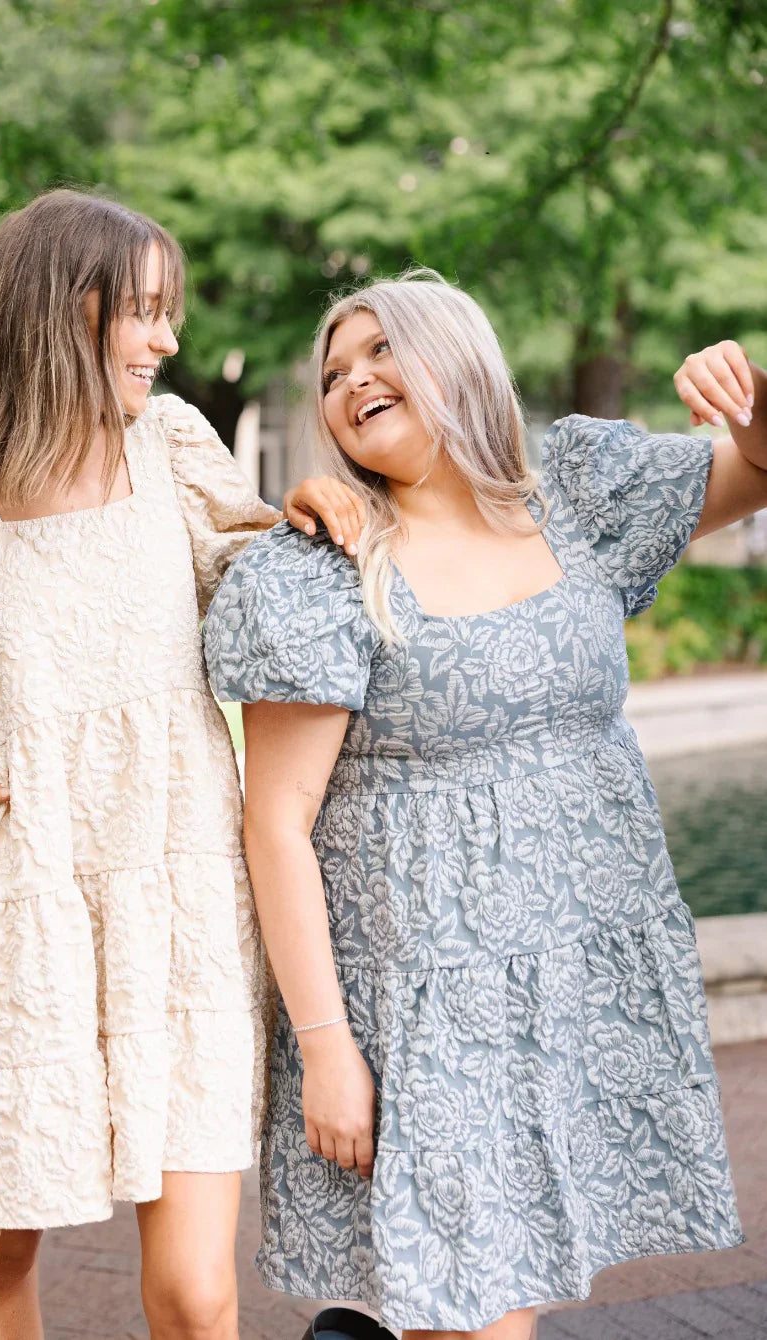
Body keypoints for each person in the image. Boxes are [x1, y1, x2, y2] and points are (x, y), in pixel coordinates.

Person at [0, 188, 366, 1340]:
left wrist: (310, 503)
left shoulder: (170, 454)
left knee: (195, 1292)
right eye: (148, 313)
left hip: (184, 897)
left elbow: (270, 578)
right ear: (70, 308)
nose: (168, 342)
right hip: (23, 908)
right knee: (5, 1266)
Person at [203, 270, 761, 1340]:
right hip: (423, 1007)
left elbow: (759, 466)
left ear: (457, 358)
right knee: (475, 1316)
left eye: (379, 350)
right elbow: (274, 821)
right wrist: (326, 1045)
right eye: (332, 372)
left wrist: (750, 394)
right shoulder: (323, 569)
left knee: (512, 1291)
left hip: (567, 974)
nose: (351, 379)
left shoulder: (577, 498)